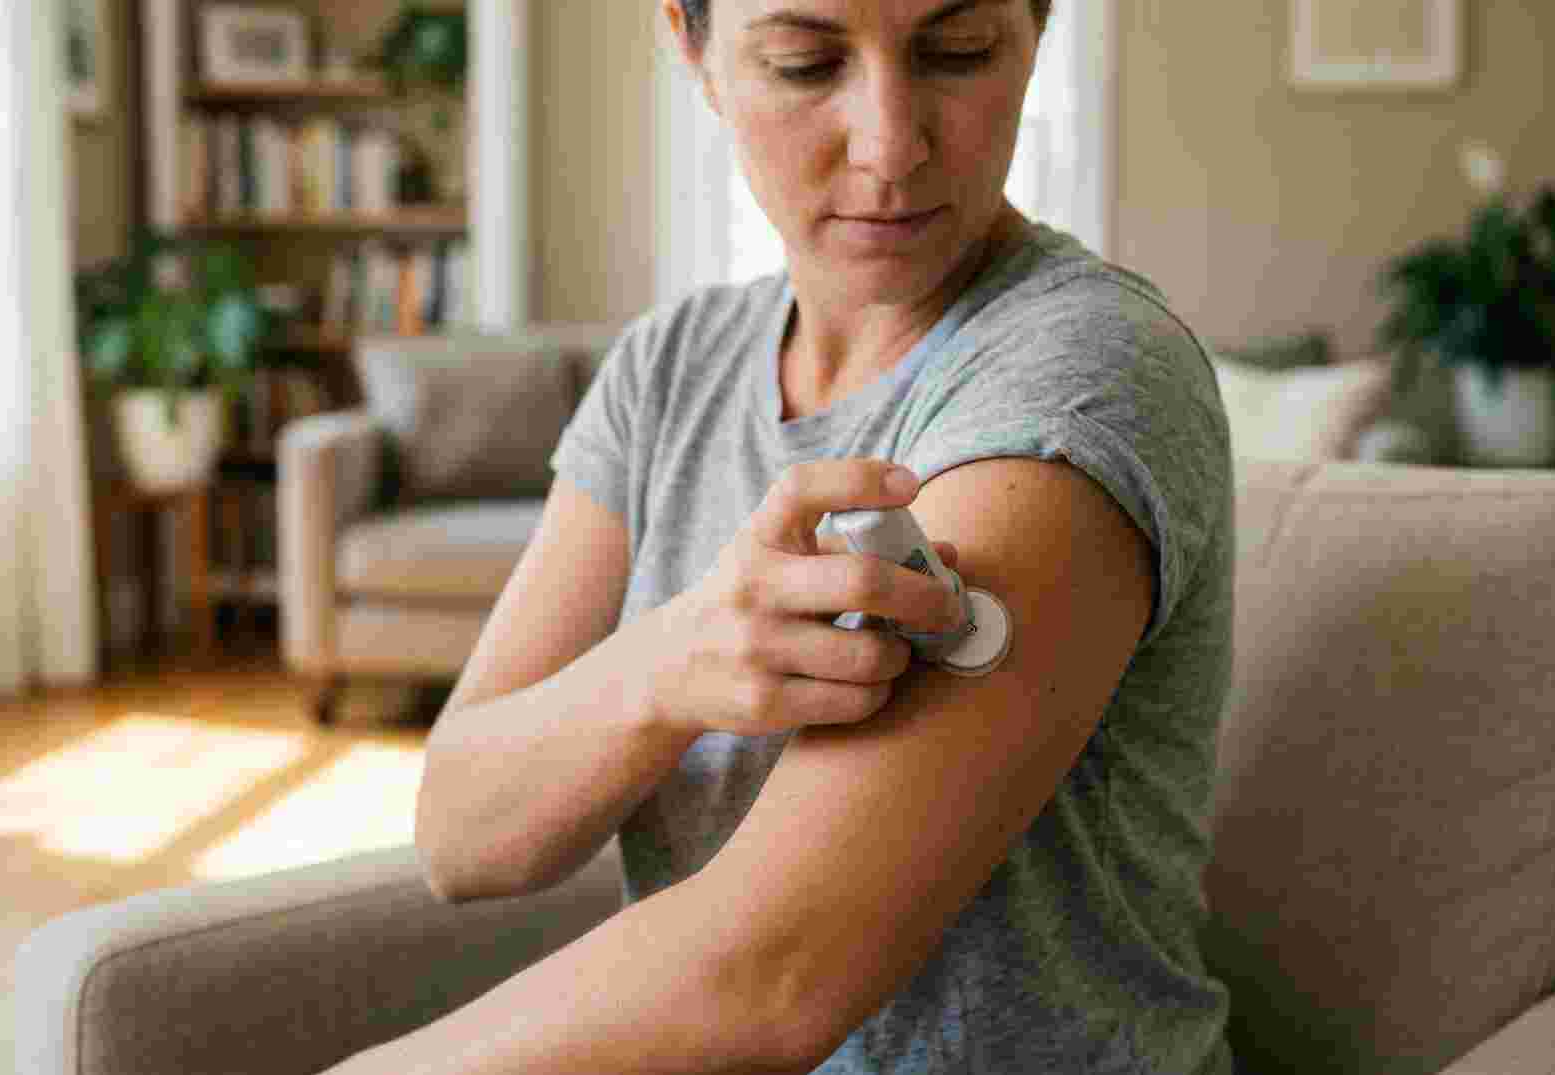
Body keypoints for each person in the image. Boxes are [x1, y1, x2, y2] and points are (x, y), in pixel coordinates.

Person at [327, 1, 1238, 1071]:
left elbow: (772, 974)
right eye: (806, 63)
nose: (892, 146)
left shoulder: (1085, 374)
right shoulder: (671, 371)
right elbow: (463, 834)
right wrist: (671, 662)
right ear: (693, 46)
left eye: (959, 51)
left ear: (1039, 26)